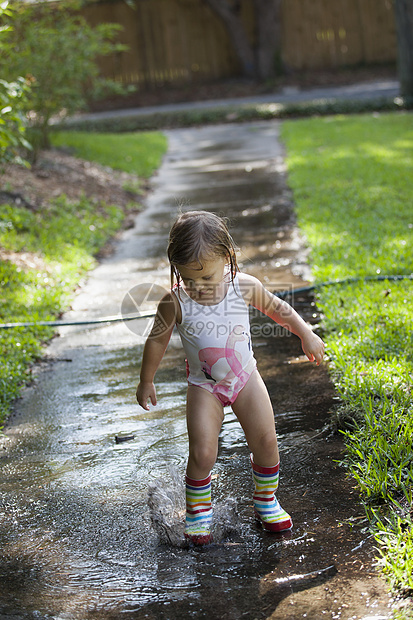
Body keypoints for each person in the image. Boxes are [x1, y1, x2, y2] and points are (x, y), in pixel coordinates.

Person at [136, 211, 325, 546]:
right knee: (203, 452)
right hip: (204, 386)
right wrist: (146, 380)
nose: (198, 287)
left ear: (227, 258)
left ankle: (266, 502)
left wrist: (305, 334)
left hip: (245, 378)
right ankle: (198, 513)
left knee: (266, 441)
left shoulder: (244, 287)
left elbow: (279, 309)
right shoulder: (175, 301)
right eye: (188, 278)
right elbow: (157, 340)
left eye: (206, 278)